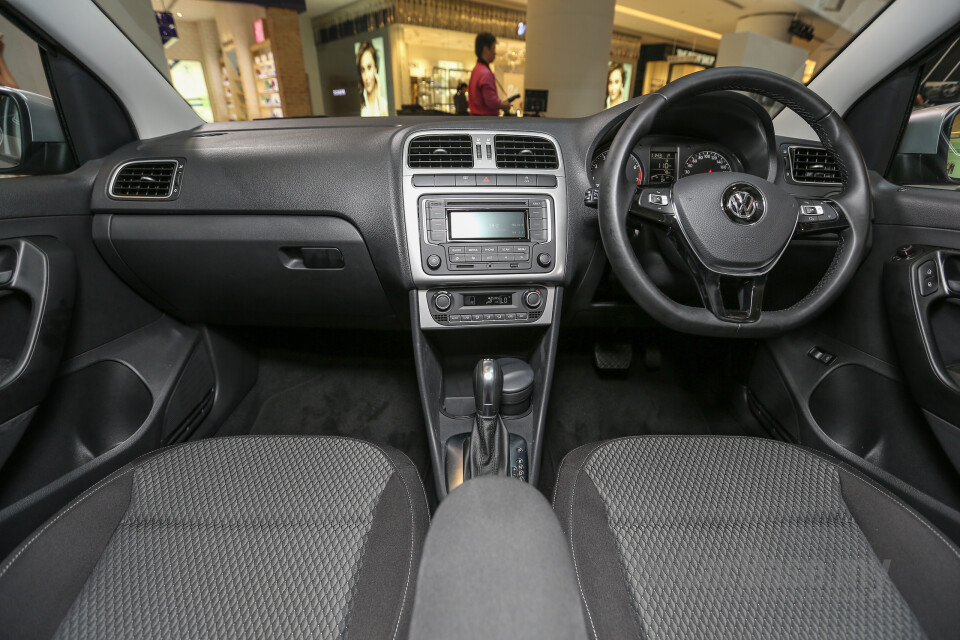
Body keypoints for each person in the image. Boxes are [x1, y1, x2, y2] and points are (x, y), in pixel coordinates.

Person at [468, 32, 511, 116]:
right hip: (486, 121)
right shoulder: (485, 72)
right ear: (485, 49)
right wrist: (503, 105)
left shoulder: (476, 69)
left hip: (476, 118)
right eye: (493, 49)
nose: (495, 53)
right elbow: (490, 101)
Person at [356, 41, 387, 117]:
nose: (366, 77)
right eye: (363, 70)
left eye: (369, 67)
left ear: (375, 68)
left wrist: (379, 98)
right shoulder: (359, 106)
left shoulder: (383, 104)